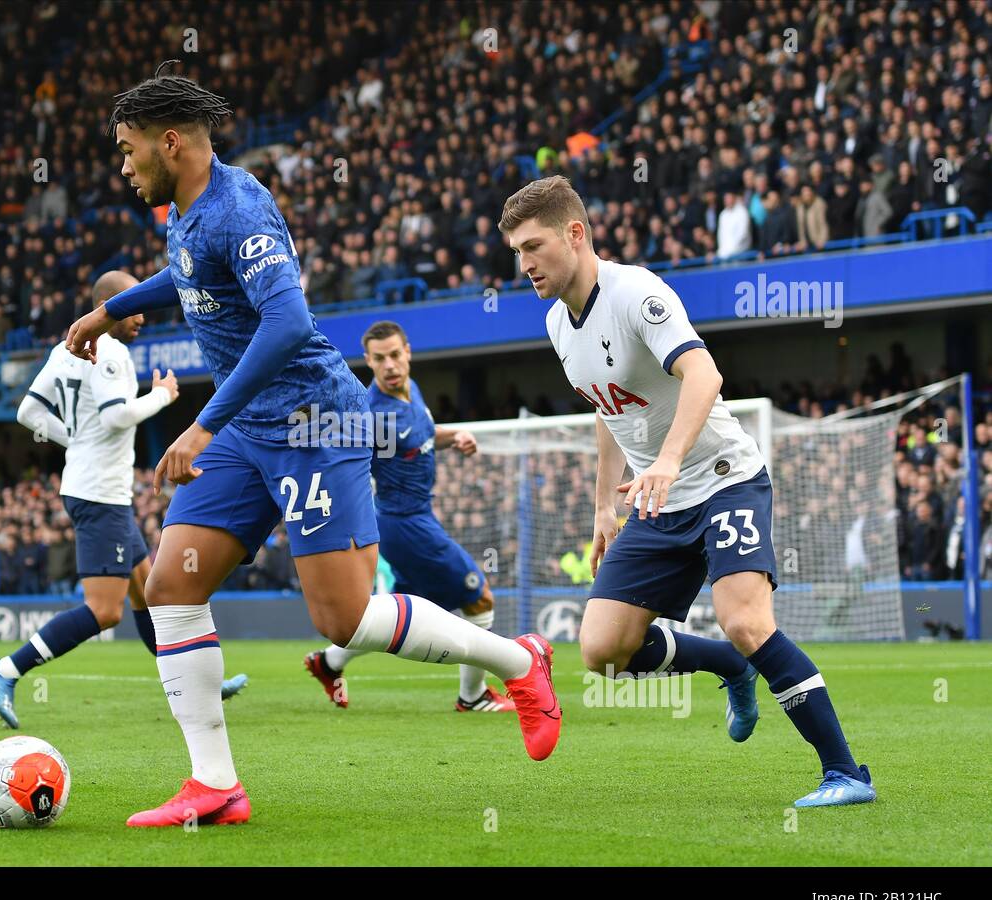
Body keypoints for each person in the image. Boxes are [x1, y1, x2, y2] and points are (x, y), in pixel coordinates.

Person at [66, 64, 559, 828]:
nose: (123, 166)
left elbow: (289, 322)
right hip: (250, 432)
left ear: (170, 143)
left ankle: (520, 662)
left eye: (129, 150)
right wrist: (113, 311)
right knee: (170, 586)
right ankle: (215, 784)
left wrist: (202, 423)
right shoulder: (188, 212)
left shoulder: (239, 207)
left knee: (342, 622)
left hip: (311, 426)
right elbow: (187, 275)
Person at [499, 174, 874, 808]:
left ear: (576, 232)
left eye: (532, 246)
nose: (524, 264)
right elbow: (608, 408)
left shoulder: (637, 292)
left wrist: (668, 460)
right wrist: (600, 507)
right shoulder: (560, 326)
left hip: (724, 479)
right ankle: (727, 665)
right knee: (603, 651)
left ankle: (845, 774)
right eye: (515, 253)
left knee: (747, 621)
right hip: (654, 501)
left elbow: (705, 373)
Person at [0, 270, 247, 728]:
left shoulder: (64, 351)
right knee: (104, 611)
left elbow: (27, 411)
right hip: (100, 494)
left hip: (97, 490)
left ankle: (192, 685)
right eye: (134, 307)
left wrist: (74, 442)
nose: (141, 316)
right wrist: (161, 396)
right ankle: (5, 670)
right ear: (112, 307)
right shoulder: (112, 351)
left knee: (147, 593)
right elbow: (118, 417)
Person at [304, 320, 515, 713]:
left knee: (389, 620)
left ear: (408, 352)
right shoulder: (374, 417)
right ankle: (474, 696)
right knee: (479, 598)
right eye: (379, 359)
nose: (389, 365)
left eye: (395, 355)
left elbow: (426, 433)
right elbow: (346, 464)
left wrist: (455, 439)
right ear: (367, 361)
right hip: (405, 524)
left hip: (416, 519)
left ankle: (328, 662)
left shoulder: (411, 392)